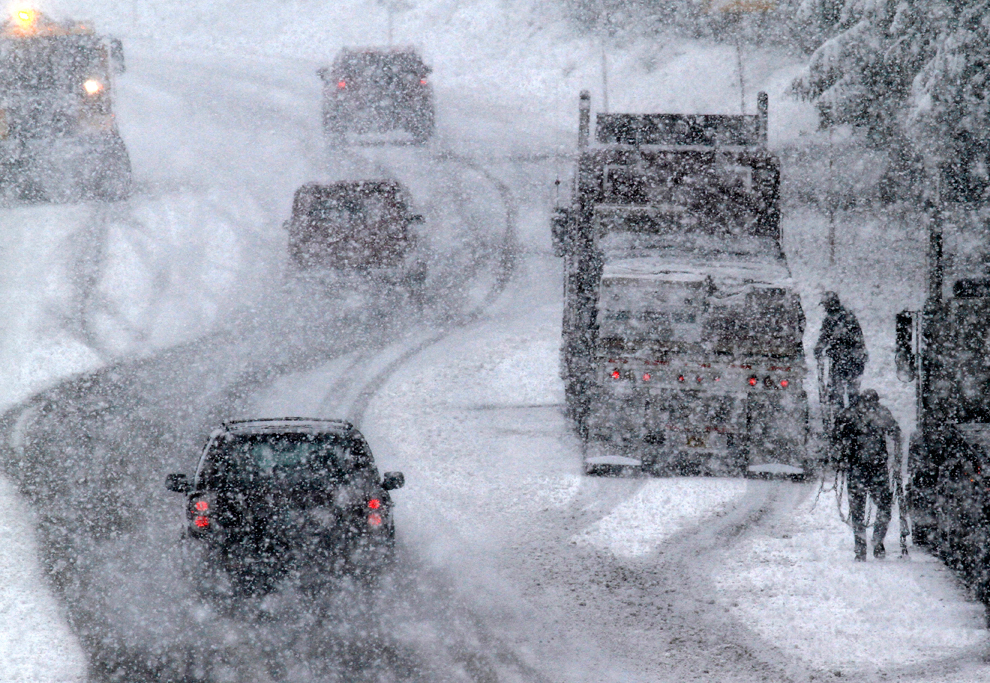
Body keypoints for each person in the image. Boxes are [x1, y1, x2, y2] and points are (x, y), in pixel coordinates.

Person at [833, 389, 902, 561]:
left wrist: (840, 458)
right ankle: (875, 542)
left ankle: (861, 547)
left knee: (858, 509)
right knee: (883, 506)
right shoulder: (881, 413)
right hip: (876, 468)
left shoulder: (850, 414)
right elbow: (895, 433)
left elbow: (837, 437)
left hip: (858, 468)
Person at [814, 292, 868, 429]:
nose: (825, 308)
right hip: (849, 360)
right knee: (844, 392)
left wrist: (822, 348)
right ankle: (848, 421)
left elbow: (829, 337)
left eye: (826, 305)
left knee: (843, 393)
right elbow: (825, 337)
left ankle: (846, 423)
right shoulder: (842, 317)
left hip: (847, 361)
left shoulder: (840, 318)